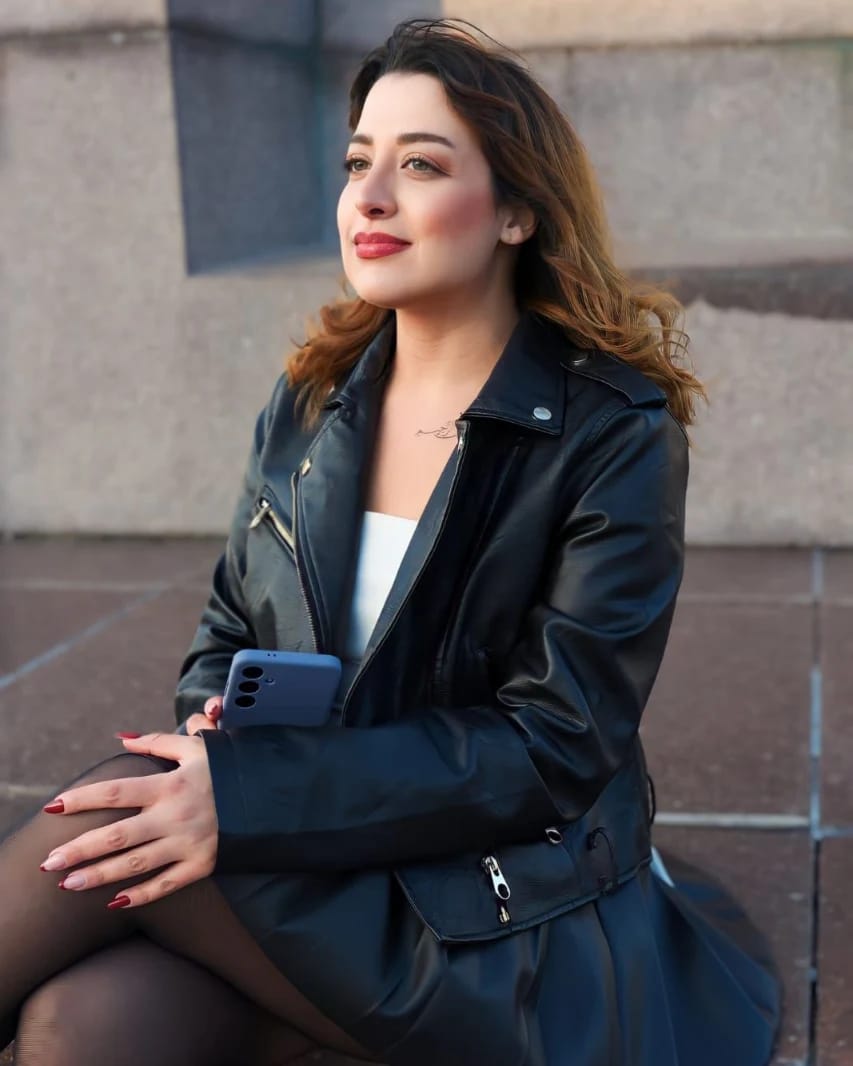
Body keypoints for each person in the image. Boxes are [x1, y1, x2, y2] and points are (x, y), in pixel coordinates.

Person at [0, 18, 781, 1066]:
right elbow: (228, 628)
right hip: (314, 851)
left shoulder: (612, 431)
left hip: (490, 904)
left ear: (515, 212)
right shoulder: (312, 400)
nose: (368, 197)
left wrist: (254, 797)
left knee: (93, 827)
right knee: (80, 1026)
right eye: (356, 162)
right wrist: (219, 720)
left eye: (419, 165)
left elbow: (554, 745)